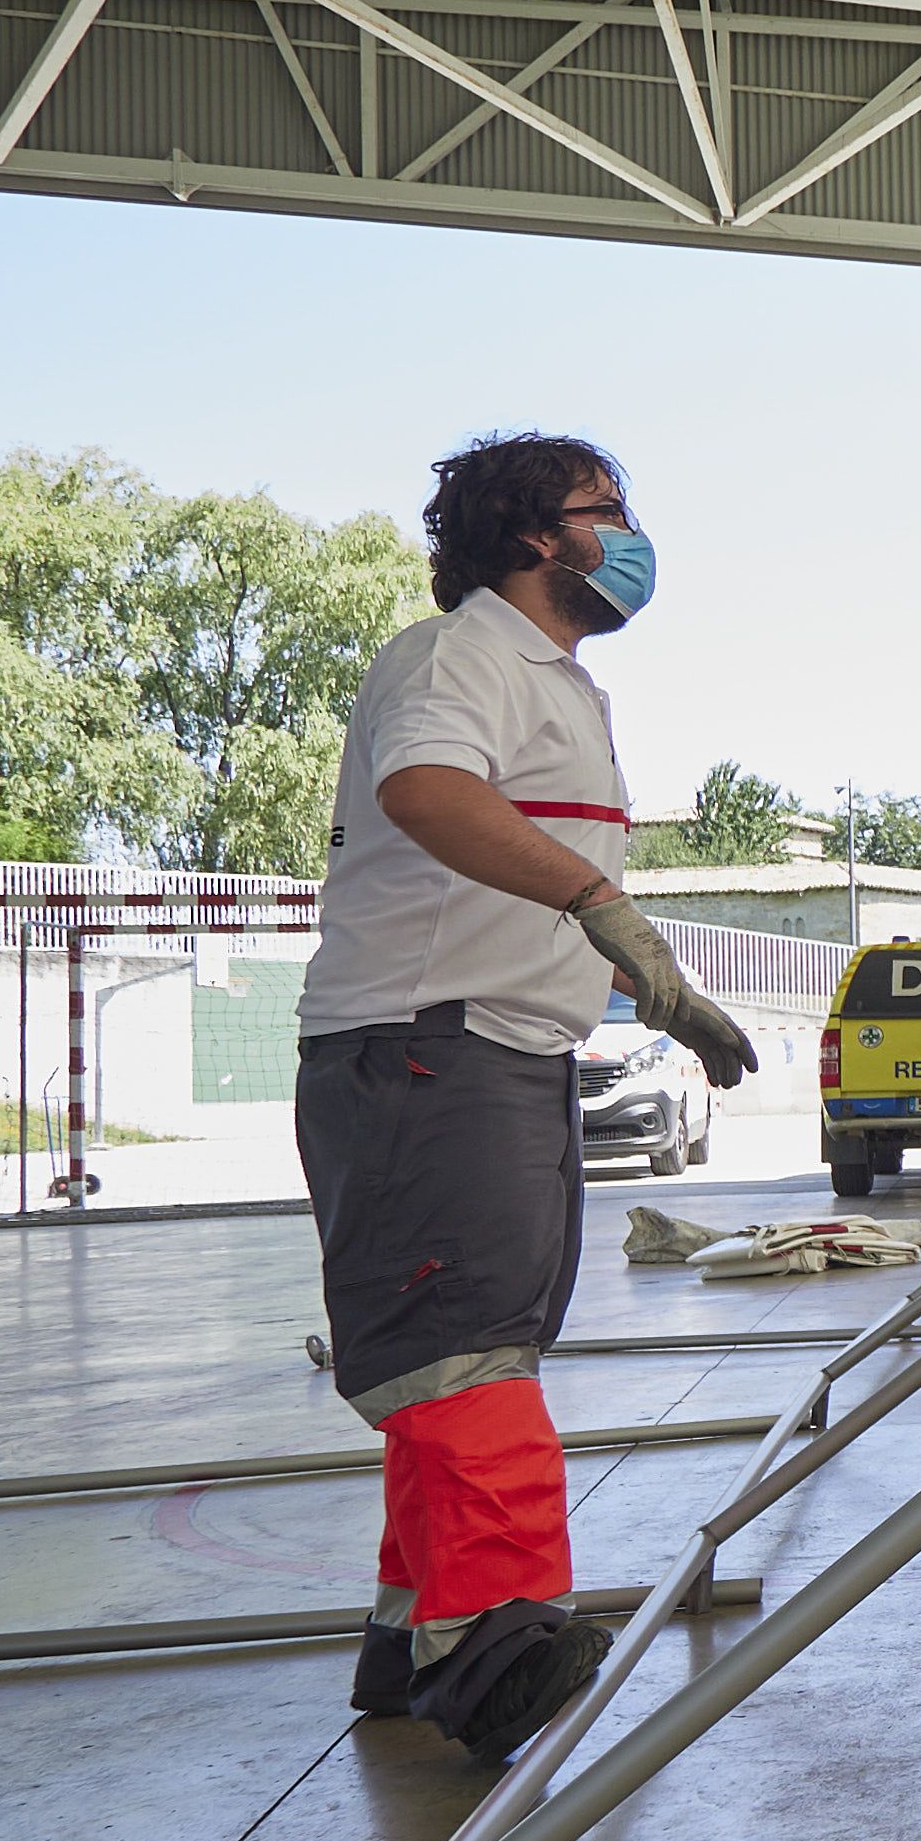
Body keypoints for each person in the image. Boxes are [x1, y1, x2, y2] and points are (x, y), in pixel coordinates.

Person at [304, 432, 760, 1760]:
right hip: (427, 1047)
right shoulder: (461, 656)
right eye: (601, 510)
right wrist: (602, 905)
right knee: (464, 1349)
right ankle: (493, 1634)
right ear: (526, 532)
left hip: (498, 1050)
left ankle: (410, 1632)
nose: (626, 534)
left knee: (465, 1346)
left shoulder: (560, 681)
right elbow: (430, 792)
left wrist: (630, 970)